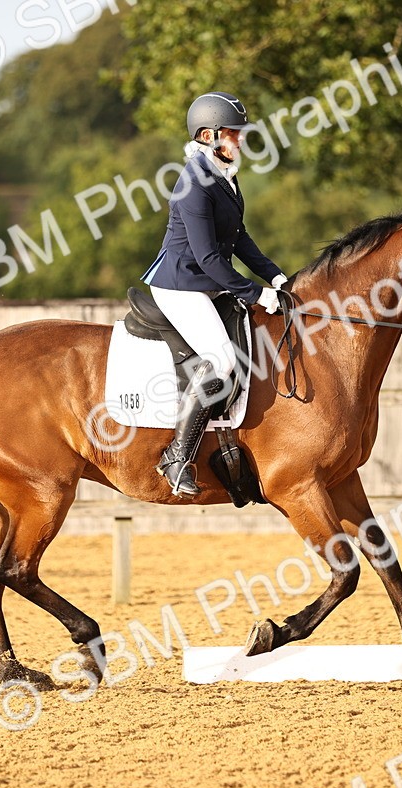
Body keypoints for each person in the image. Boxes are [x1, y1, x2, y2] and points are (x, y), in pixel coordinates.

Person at [139, 91, 288, 497]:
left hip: (207, 283)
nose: (240, 140)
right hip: (181, 285)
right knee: (221, 359)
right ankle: (176, 457)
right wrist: (256, 294)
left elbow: (239, 239)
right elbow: (207, 257)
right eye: (234, 133)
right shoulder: (193, 183)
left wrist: (276, 278)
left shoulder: (225, 176)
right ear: (209, 135)